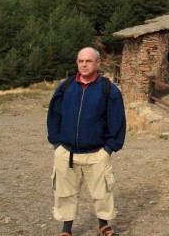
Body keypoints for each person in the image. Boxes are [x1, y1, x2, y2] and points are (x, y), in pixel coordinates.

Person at [47, 47, 126, 236]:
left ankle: (103, 225)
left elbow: (117, 121)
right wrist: (57, 144)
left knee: (102, 193)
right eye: (80, 61)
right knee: (65, 193)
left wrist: (108, 149)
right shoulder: (65, 87)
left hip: (96, 153)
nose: (84, 64)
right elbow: (53, 116)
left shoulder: (108, 89)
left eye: (88, 61)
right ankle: (66, 229)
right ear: (77, 63)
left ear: (98, 63)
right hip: (66, 153)